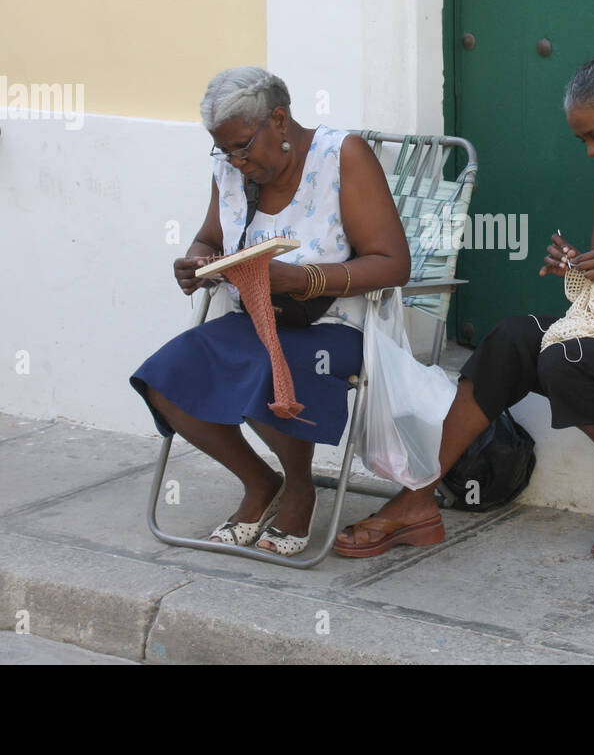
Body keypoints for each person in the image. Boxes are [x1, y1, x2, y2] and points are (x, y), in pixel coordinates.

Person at [334, 55, 594, 559]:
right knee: (511, 336)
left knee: (564, 357)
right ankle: (418, 496)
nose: (592, 151)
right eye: (583, 141)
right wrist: (580, 267)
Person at [131, 67, 410, 555]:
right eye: (225, 151)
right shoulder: (232, 169)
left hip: (335, 327)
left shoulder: (342, 157)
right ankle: (260, 481)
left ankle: (300, 487)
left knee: (265, 367)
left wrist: (304, 280)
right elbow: (211, 238)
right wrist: (197, 263)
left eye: (242, 147)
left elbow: (393, 264)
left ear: (279, 120)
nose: (236, 161)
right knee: (164, 379)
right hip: (255, 319)